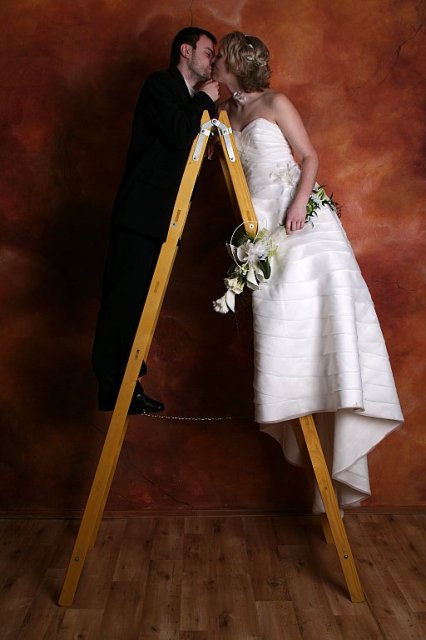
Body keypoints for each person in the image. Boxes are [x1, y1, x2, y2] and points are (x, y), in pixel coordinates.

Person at [213, 32, 403, 509]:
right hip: (260, 229)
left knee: (325, 315)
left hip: (300, 220)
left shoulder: (275, 102)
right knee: (287, 327)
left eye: (219, 57)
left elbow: (310, 156)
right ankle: (298, 409)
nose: (214, 61)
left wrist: (299, 203)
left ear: (235, 63)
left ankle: (344, 418)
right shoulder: (222, 114)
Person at [92, 27, 219, 414]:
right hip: (140, 213)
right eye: (208, 52)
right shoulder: (160, 85)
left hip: (165, 217)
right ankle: (113, 388)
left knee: (142, 306)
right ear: (186, 51)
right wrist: (206, 100)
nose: (213, 61)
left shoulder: (191, 100)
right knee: (124, 301)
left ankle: (129, 385)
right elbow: (180, 134)